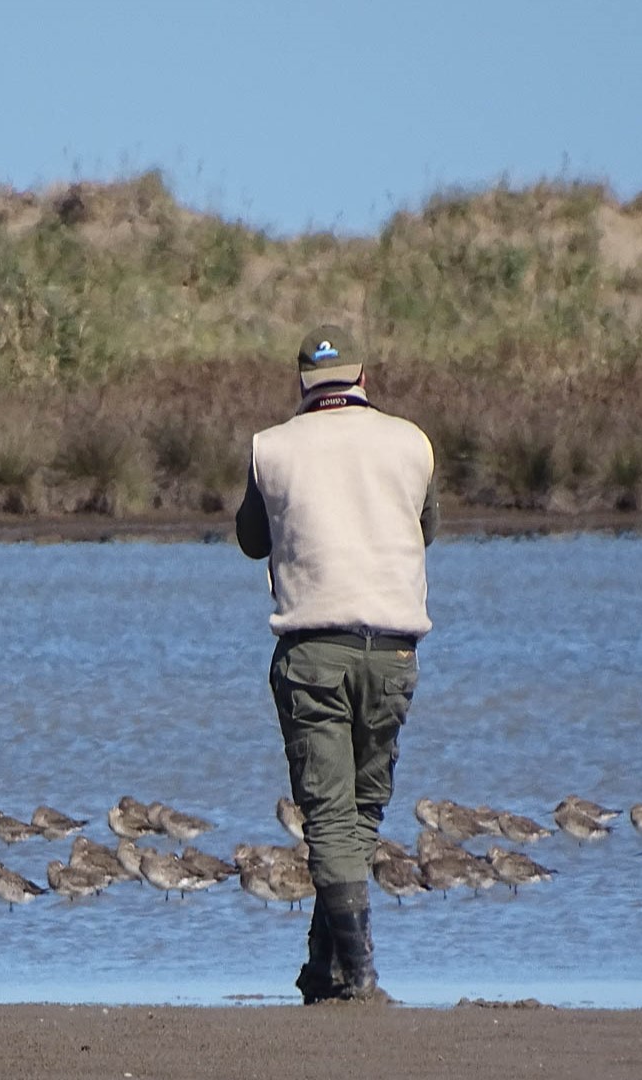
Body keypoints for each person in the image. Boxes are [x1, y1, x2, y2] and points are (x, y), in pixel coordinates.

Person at [235, 324, 438, 1005]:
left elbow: (250, 540)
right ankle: (327, 968)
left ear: (301, 382)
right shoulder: (412, 442)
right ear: (363, 378)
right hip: (395, 650)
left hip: (312, 651)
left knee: (328, 813)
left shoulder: (270, 447)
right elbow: (427, 528)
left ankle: (359, 975)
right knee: (360, 809)